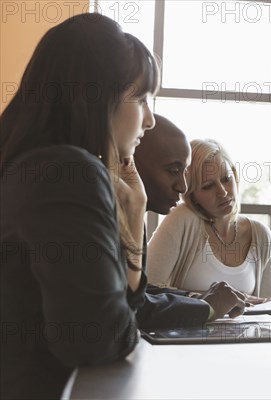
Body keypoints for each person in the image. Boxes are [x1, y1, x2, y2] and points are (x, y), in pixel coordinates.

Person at [0, 14, 158, 399]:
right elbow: (98, 339)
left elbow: (123, 316)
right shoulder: (65, 172)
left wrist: (134, 217)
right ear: (95, 98)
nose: (150, 120)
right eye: (140, 98)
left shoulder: (34, 167)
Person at [134, 114, 248, 326]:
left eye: (226, 179)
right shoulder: (179, 218)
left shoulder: (133, 215)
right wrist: (208, 305)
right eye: (174, 171)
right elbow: (134, 306)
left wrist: (197, 298)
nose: (182, 187)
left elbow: (140, 294)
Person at [146, 139, 271, 303]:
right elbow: (146, 290)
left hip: (249, 329)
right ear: (191, 194)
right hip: (189, 328)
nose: (222, 192)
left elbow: (270, 307)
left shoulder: (260, 234)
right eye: (208, 186)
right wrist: (208, 299)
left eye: (226, 179)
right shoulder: (182, 219)